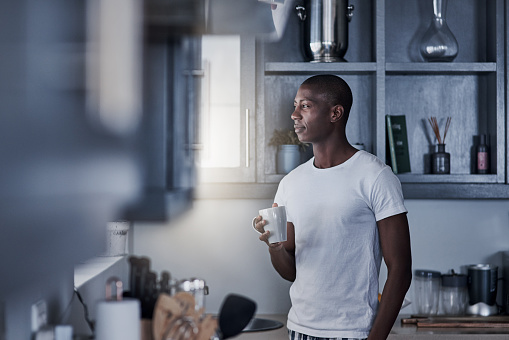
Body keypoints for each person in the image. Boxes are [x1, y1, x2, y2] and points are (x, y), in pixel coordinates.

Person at [253, 75, 412, 340]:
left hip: (355, 332)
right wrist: (276, 247)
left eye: (305, 106)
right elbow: (292, 272)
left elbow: (401, 269)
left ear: (335, 113)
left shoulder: (375, 176)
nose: (293, 114)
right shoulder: (291, 183)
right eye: (295, 105)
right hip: (300, 330)